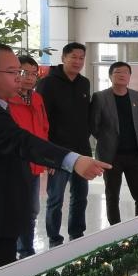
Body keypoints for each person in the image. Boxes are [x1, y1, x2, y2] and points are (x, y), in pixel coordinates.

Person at [0, 43, 109, 276]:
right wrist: (73, 160)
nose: (19, 78)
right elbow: (21, 141)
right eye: (12, 72)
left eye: (20, 72)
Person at [36, 42, 91, 246]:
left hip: (81, 152)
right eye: (73, 57)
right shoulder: (47, 83)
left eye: (81, 58)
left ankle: (77, 234)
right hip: (57, 153)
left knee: (80, 196)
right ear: (63, 58)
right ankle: (54, 239)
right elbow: (42, 121)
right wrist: (47, 156)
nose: (77, 61)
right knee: (55, 199)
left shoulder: (84, 83)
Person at [90, 61, 138, 225]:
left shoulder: (136, 95)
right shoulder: (100, 97)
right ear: (110, 76)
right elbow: (94, 125)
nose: (122, 75)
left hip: (134, 155)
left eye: (125, 72)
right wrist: (107, 139)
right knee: (112, 196)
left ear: (129, 76)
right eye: (117, 72)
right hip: (111, 156)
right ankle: (115, 229)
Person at [8, 55, 50, 258]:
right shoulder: (7, 99)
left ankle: (26, 250)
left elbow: (43, 128)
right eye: (25, 72)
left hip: (34, 163)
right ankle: (12, 252)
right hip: (14, 164)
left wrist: (46, 157)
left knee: (32, 210)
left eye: (34, 74)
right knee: (14, 210)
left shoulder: (37, 98)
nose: (30, 78)